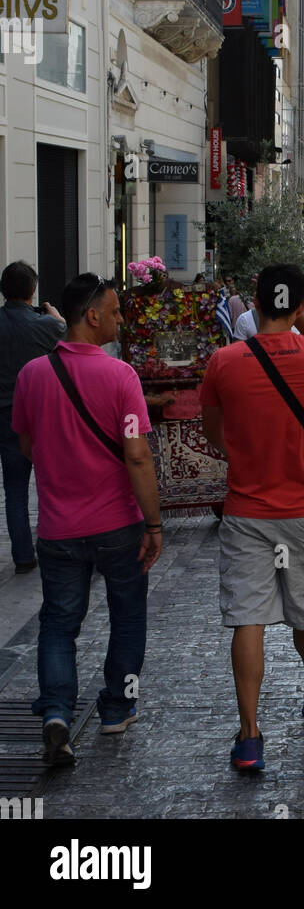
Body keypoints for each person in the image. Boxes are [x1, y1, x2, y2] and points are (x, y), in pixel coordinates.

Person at [200, 264, 304, 773]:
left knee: (248, 617)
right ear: (301, 306)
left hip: (246, 509)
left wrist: (237, 455)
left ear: (254, 305)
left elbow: (212, 431)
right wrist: (301, 318)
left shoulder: (224, 362)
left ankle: (248, 735)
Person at [12, 274, 161, 765]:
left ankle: (56, 712)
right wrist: (154, 524)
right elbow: (138, 456)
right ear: (92, 316)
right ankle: (118, 707)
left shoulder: (32, 375)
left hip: (58, 528)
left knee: (58, 624)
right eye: (116, 312)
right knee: (128, 617)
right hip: (118, 525)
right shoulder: (122, 377)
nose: (121, 319)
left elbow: (29, 447)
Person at [0, 261, 66, 572]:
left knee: (14, 489)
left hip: (3, 416)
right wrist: (51, 310)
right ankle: (58, 543)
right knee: (51, 481)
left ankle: (23, 556)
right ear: (33, 291)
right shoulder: (47, 325)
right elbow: (65, 330)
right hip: (38, 415)